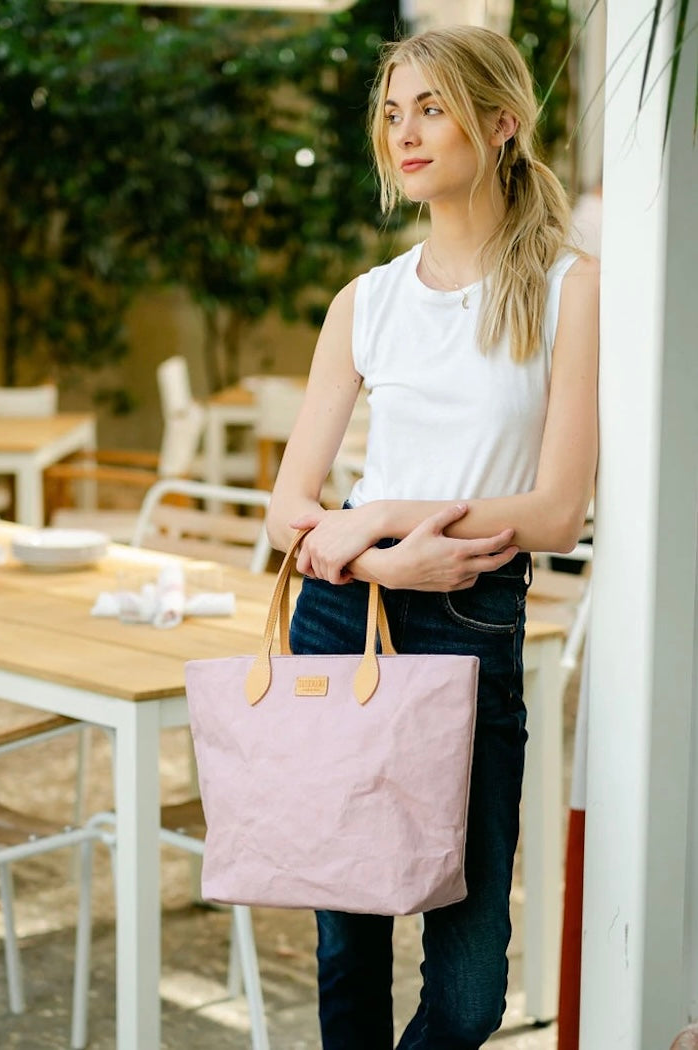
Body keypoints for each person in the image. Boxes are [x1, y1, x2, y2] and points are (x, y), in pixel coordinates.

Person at [266, 24, 599, 1050]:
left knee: (467, 986)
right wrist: (380, 557)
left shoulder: (571, 289)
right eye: (392, 112)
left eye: (431, 109)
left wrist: (382, 516)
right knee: (347, 950)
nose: (403, 133)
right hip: (344, 616)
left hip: (472, 621)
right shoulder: (365, 302)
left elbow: (557, 512)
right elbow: (288, 510)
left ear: (500, 125)